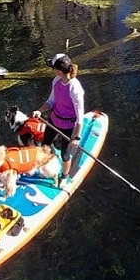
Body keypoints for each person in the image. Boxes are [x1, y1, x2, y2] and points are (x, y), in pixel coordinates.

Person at [32, 53, 84, 187]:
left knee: (65, 155)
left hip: (69, 126)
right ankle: (45, 166)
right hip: (54, 120)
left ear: (59, 71)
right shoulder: (56, 81)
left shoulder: (75, 88)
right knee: (44, 145)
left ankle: (64, 176)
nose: (52, 71)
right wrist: (40, 110)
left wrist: (76, 138)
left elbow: (80, 117)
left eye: (53, 68)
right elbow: (50, 101)